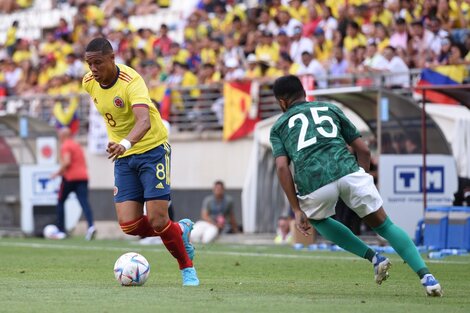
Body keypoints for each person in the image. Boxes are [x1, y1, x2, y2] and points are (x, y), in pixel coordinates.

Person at [269, 75, 442, 297]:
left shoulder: (279, 126)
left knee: (317, 219)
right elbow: (364, 149)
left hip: (314, 180)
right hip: (349, 170)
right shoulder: (330, 108)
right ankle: (428, 278)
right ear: (304, 93)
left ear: (282, 102)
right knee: (385, 225)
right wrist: (362, 178)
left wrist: (296, 209)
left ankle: (374, 257)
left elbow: (282, 168)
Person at [82, 37, 199, 286]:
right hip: (124, 157)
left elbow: (143, 121)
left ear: (112, 59)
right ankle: (179, 231)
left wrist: (123, 143)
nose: (93, 69)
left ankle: (187, 268)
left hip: (151, 150)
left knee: (157, 219)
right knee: (129, 225)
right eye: (89, 64)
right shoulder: (88, 83)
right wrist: (121, 146)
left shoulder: (132, 81)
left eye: (98, 63)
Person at [51, 127, 96, 240]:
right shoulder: (76, 145)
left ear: (63, 135)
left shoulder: (66, 145)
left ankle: (61, 230)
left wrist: (57, 173)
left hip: (70, 178)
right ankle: (91, 226)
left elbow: (67, 162)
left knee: (61, 201)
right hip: (83, 177)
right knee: (84, 202)